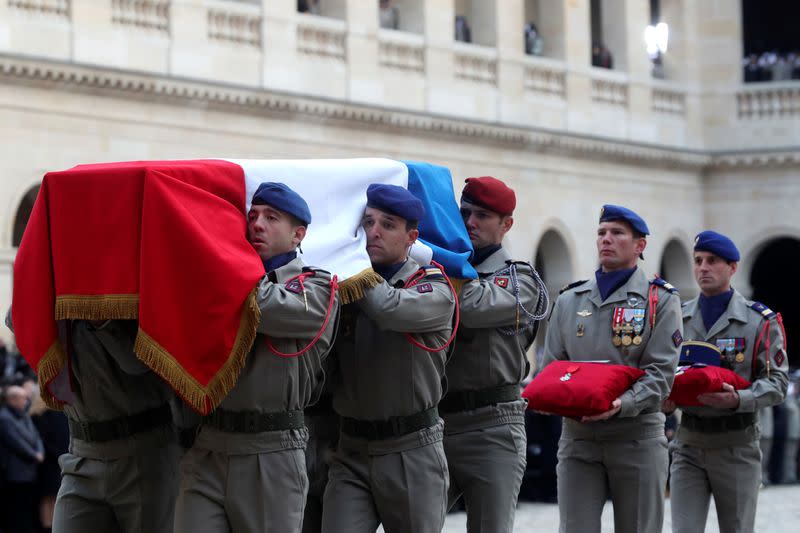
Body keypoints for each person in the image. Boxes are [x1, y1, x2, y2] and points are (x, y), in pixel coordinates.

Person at [174, 182, 340, 533]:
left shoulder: (318, 287)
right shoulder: (224, 280)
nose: (257, 225)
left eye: (271, 217)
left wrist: (226, 258)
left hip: (271, 449)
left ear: (298, 235)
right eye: (252, 216)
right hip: (210, 445)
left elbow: (260, 307)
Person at [321, 184, 456, 533]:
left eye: (388, 224)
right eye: (367, 222)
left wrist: (351, 263)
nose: (373, 232)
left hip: (411, 449)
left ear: (411, 236)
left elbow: (388, 308)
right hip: (351, 450)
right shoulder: (347, 285)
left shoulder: (433, 287)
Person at [540, 204, 682, 533]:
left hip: (636, 437)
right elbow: (553, 366)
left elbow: (661, 374)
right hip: (579, 438)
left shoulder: (659, 300)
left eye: (617, 233)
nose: (607, 239)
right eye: (602, 233)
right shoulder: (569, 299)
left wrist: (621, 404)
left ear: (640, 245)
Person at [440, 176, 548, 532]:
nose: (470, 222)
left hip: (492, 425)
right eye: (465, 212)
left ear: (506, 225)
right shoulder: (442, 270)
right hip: (437, 423)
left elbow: (470, 307)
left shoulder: (520, 280)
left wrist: (436, 258)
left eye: (483, 216)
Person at [665, 231, 788, 533]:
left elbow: (777, 383)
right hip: (688, 445)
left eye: (712, 261)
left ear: (732, 268)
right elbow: (663, 372)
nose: (703, 268)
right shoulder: (677, 317)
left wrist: (739, 400)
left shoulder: (760, 321)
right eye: (697, 261)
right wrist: (663, 400)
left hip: (736, 446)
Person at [0, 385, 44, 533]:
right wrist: (34, 454)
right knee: (16, 509)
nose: (26, 402)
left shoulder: (24, 414)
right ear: (12, 399)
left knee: (28, 507)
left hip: (30, 471)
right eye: (23, 398)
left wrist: (40, 451)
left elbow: (36, 436)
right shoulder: (4, 417)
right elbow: (16, 441)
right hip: (15, 472)